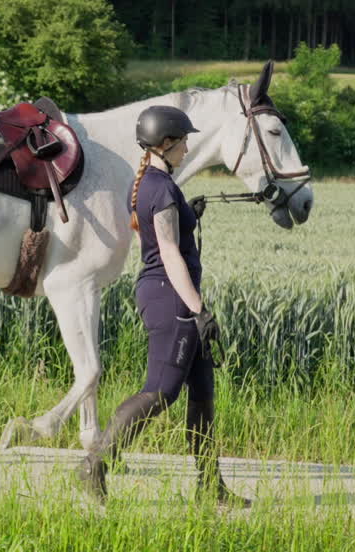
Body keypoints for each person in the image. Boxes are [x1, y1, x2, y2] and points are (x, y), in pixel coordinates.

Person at [76, 105, 249, 506]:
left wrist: (189, 214)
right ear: (166, 144)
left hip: (171, 293)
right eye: (184, 141)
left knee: (202, 395)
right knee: (160, 392)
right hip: (171, 297)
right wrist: (199, 310)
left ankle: (211, 488)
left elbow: (154, 236)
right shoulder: (162, 188)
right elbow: (168, 253)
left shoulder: (152, 184)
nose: (188, 147)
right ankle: (94, 465)